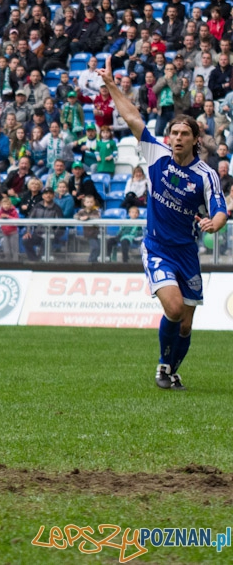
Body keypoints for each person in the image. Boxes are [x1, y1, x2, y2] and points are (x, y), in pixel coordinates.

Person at [97, 57, 228, 390]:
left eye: (184, 133)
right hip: (157, 248)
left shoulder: (206, 175)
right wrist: (111, 85)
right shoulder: (156, 154)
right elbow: (132, 117)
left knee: (185, 324)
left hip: (187, 253)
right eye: (174, 133)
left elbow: (219, 209)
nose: (177, 138)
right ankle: (162, 365)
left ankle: (171, 369)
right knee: (173, 307)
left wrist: (216, 223)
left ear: (196, 139)